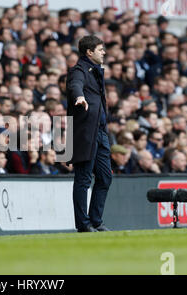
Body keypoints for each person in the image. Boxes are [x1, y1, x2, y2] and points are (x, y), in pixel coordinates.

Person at [66, 35, 112, 233]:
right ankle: (83, 224)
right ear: (89, 52)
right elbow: (75, 85)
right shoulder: (79, 70)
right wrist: (79, 97)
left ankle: (95, 220)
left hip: (100, 132)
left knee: (104, 178)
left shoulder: (95, 71)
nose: (104, 53)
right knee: (83, 179)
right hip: (85, 133)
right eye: (100, 50)